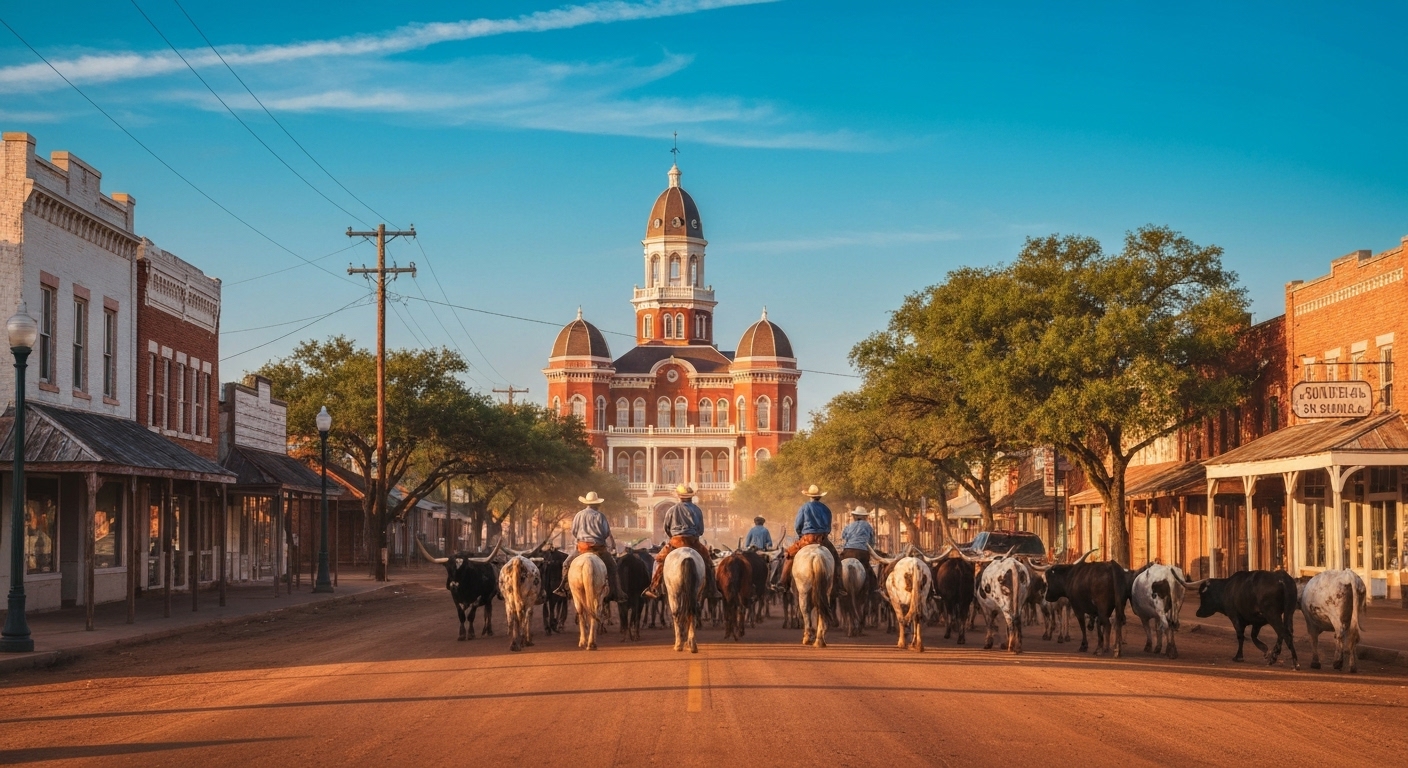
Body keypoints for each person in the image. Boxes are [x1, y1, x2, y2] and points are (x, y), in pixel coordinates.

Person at [642, 485, 716, 599]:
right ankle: (713, 589)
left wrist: (673, 536)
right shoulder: (697, 510)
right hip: (693, 542)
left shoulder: (672, 510)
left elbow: (666, 528)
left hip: (676, 541)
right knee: (709, 562)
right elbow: (701, 530)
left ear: (679, 497)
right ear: (691, 497)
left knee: (658, 561)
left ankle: (654, 587)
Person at [780, 485, 842, 618]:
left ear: (809, 496)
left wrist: (800, 535)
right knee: (836, 560)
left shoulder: (804, 507)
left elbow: (798, 525)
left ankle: (783, 583)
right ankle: (839, 586)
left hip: (807, 539)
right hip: (822, 539)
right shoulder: (826, 509)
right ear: (820, 496)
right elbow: (828, 526)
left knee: (788, 556)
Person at [555, 492, 625, 602]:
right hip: (599, 549)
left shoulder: (579, 515)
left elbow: (574, 531)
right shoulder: (601, 516)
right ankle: (617, 593)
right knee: (613, 567)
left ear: (586, 503)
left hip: (582, 548)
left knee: (566, 564)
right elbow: (606, 533)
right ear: (597, 504)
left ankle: (563, 588)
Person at [838, 507, 878, 595]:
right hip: (862, 552)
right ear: (865, 517)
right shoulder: (868, 526)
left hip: (848, 551)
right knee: (867, 569)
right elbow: (872, 542)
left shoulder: (849, 526)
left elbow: (844, 537)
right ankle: (874, 589)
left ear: (855, 516)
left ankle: (838, 587)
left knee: (838, 567)